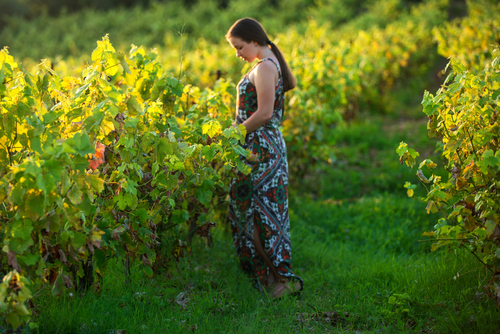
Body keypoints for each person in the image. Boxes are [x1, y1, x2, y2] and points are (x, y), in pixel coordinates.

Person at [226, 18, 303, 298]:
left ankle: (282, 280)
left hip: (262, 151)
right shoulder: (265, 64)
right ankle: (272, 277)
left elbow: (265, 113)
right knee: (251, 212)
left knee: (261, 215)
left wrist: (234, 133)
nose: (237, 53)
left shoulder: (266, 67)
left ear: (254, 40)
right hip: (256, 149)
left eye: (239, 46)